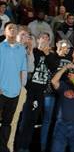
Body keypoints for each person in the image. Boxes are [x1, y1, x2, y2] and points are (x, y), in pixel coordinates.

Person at [15, 32, 56, 152]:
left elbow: (53, 67)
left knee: (32, 120)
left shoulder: (51, 55)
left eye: (48, 39)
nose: (45, 40)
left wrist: (47, 53)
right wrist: (34, 49)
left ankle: (25, 147)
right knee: (24, 120)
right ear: (38, 40)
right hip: (29, 90)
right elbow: (29, 66)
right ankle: (19, 146)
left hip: (40, 92)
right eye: (43, 37)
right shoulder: (34, 52)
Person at [0, 23, 27, 151]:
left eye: (15, 28)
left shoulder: (21, 49)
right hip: (0, 91)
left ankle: (3, 148)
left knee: (7, 123)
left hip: (15, 92)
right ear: (5, 31)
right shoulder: (0, 47)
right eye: (10, 28)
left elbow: (22, 69)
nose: (13, 30)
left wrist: (20, 88)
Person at [50, 62, 74, 152]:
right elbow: (53, 81)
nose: (71, 73)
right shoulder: (64, 85)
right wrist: (65, 68)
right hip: (61, 124)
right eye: (71, 71)